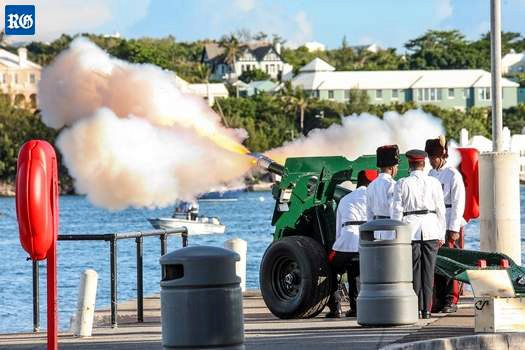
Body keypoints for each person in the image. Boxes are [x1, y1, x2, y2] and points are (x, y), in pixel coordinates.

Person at [392, 150, 446, 319]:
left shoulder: (401, 183)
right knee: (429, 272)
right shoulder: (434, 182)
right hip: (431, 228)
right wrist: (442, 234)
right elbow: (441, 210)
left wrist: (396, 234)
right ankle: (427, 310)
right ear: (424, 164)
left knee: (413, 271)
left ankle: (415, 308)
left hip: (411, 229)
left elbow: (396, 212)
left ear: (410, 164)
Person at [326, 169, 378, 318]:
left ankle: (335, 308)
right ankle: (356, 308)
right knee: (356, 270)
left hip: (347, 241)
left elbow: (338, 228)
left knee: (331, 268)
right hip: (366, 240)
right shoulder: (373, 198)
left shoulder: (345, 199)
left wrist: (338, 245)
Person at [426, 136, 466, 314]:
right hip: (435, 223)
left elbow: (458, 202)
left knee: (451, 263)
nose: (430, 161)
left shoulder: (453, 175)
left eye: (432, 157)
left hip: (450, 221)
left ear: (441, 156)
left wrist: (454, 227)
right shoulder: (430, 174)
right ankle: (439, 298)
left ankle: (451, 299)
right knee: (437, 263)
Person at [367, 145, 399, 240]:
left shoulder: (371, 185)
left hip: (376, 231)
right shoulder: (393, 184)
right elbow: (394, 210)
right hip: (390, 232)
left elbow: (368, 213)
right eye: (396, 167)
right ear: (392, 168)